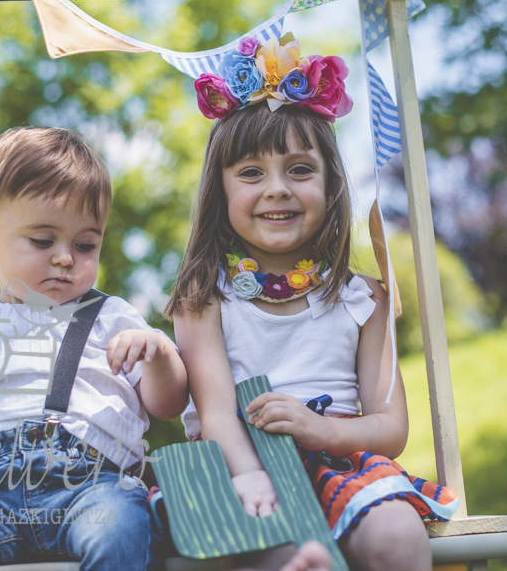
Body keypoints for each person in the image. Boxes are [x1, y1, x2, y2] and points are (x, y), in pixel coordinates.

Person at [164, 36, 459, 571]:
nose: (277, 188)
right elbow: (214, 415)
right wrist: (253, 474)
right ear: (220, 191)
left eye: (300, 170)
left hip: (339, 462)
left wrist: (323, 431)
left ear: (331, 186)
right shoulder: (202, 298)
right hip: (241, 467)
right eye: (251, 173)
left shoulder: (362, 297)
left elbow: (389, 428)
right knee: (265, 540)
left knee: (395, 536)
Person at [0, 126, 188, 570]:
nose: (66, 258)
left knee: (119, 531)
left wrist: (160, 353)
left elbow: (168, 404)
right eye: (43, 240)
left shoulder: (112, 318)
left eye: (86, 244)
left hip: (94, 487)